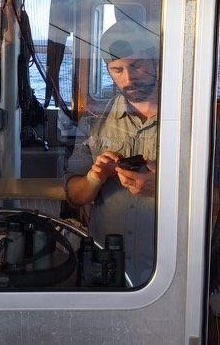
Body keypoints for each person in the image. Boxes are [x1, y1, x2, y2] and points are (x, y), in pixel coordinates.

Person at [64, 20, 159, 286]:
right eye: (117, 70)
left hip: (168, 270)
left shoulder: (192, 122)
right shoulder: (95, 121)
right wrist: (94, 179)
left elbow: (219, 201)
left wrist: (162, 188)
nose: (128, 79)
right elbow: (75, 196)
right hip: (104, 267)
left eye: (137, 65)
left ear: (156, 63)